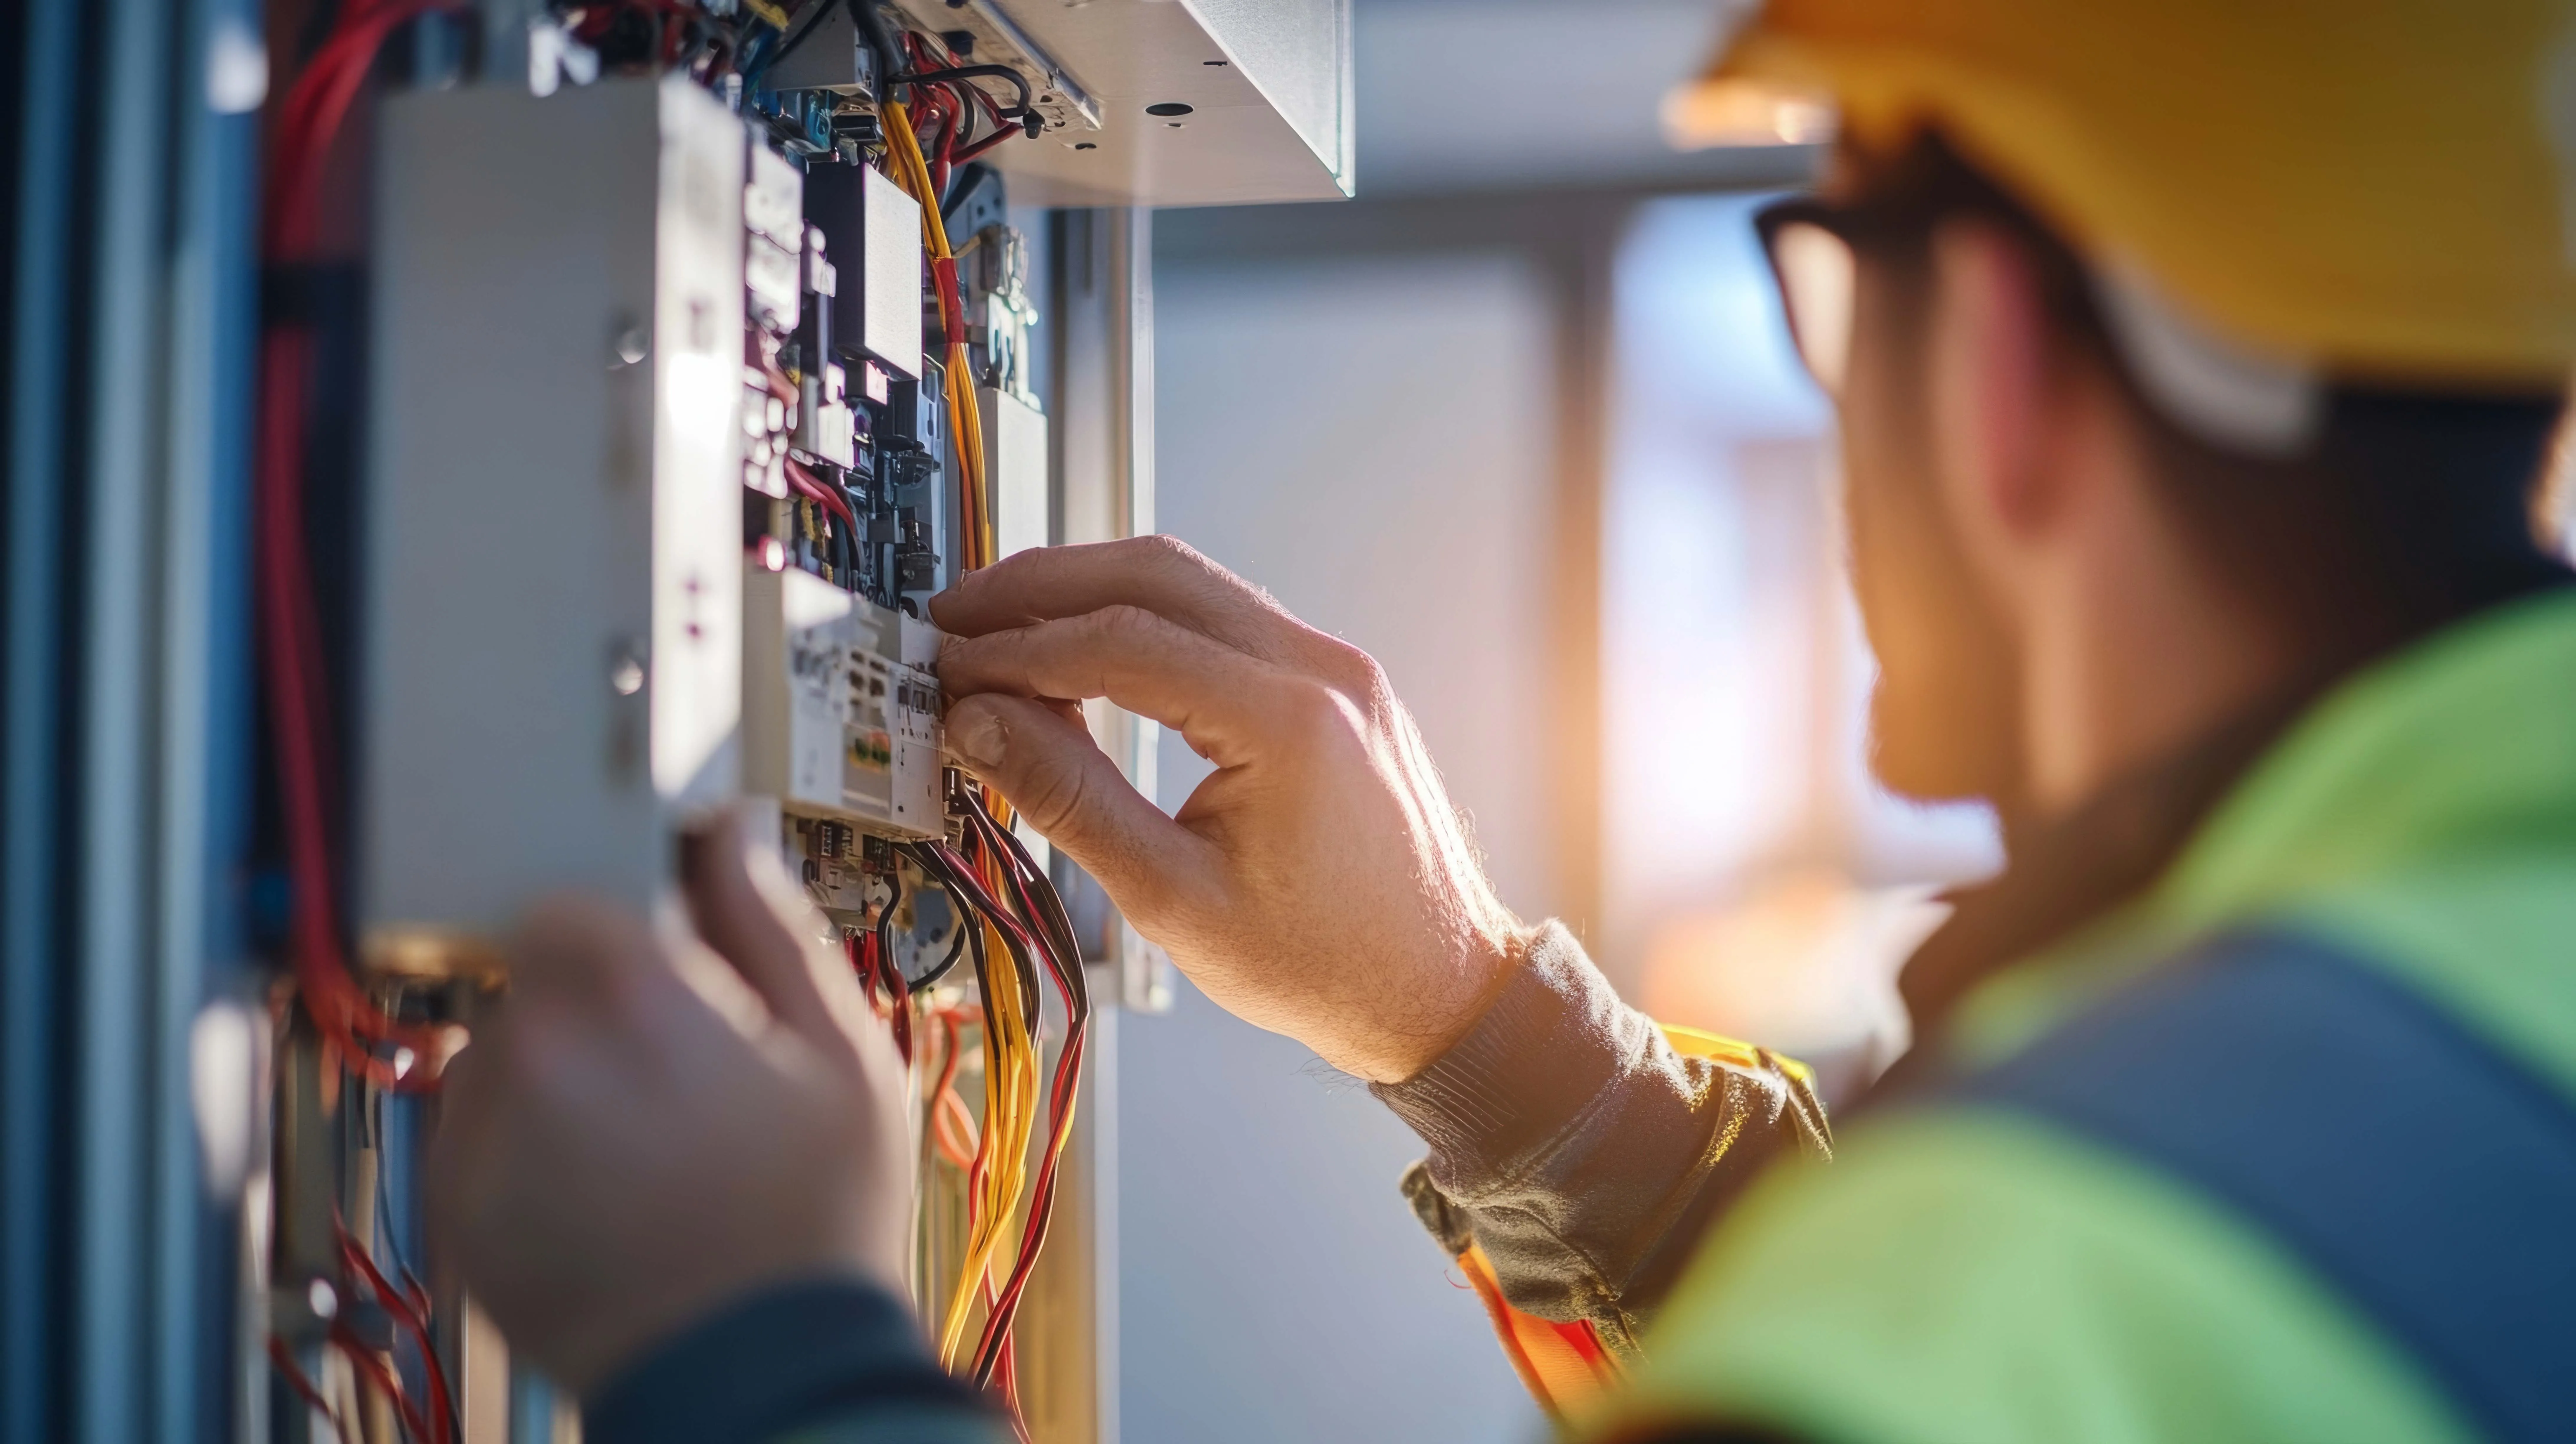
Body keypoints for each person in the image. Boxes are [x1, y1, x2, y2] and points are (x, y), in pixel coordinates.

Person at [428, 1, 2576, 1439]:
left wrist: (772, 1362)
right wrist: (1478, 1028)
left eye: (1826, 293)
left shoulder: (2030, 1302)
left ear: (1994, 351)